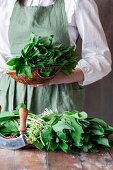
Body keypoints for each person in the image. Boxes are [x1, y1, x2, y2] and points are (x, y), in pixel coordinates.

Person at [0, 0, 112, 114]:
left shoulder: (76, 3)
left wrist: (60, 76)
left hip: (58, 96)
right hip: (12, 96)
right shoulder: (6, 3)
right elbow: (2, 58)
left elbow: (100, 58)